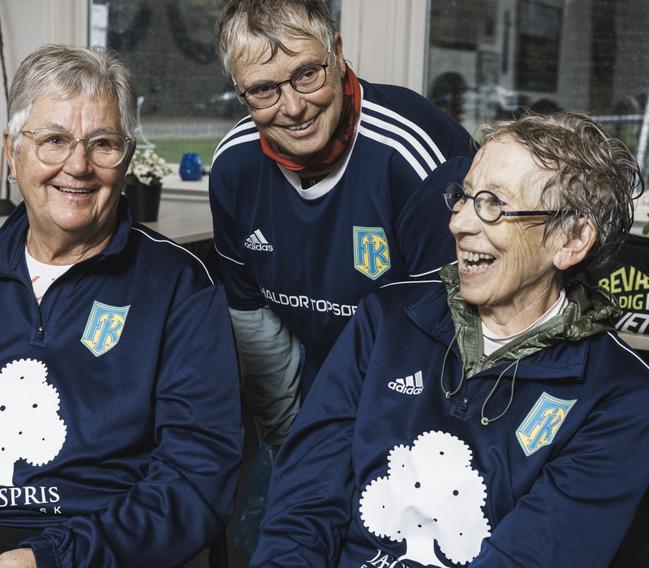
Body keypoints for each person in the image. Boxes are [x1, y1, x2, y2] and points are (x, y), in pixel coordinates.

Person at [250, 112, 649, 567]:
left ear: (570, 239)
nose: (458, 224)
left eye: (493, 204)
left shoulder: (619, 396)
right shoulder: (386, 319)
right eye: (463, 197)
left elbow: (532, 557)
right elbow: (304, 501)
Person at [0, 45, 242, 567]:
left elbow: (196, 482)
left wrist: (46, 559)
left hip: (98, 549)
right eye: (55, 140)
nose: (78, 166)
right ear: (11, 153)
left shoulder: (178, 287)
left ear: (127, 158)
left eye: (103, 143)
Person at [210, 0, 475, 450]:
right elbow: (254, 319)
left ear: (336, 51)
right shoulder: (234, 167)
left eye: (307, 74)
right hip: (314, 402)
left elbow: (457, 330)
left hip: (425, 411)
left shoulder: (415, 153)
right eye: (262, 90)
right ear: (240, 92)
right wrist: (290, 448)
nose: (293, 108)